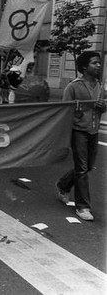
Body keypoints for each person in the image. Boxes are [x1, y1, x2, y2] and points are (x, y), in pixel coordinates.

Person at [55, 51, 106, 221]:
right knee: (82, 169)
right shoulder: (73, 86)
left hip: (94, 130)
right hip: (78, 131)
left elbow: (102, 108)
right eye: (94, 63)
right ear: (84, 67)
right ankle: (83, 207)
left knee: (88, 166)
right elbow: (64, 110)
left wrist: (102, 106)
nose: (98, 65)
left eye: (99, 63)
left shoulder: (101, 86)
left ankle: (63, 184)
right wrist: (77, 109)